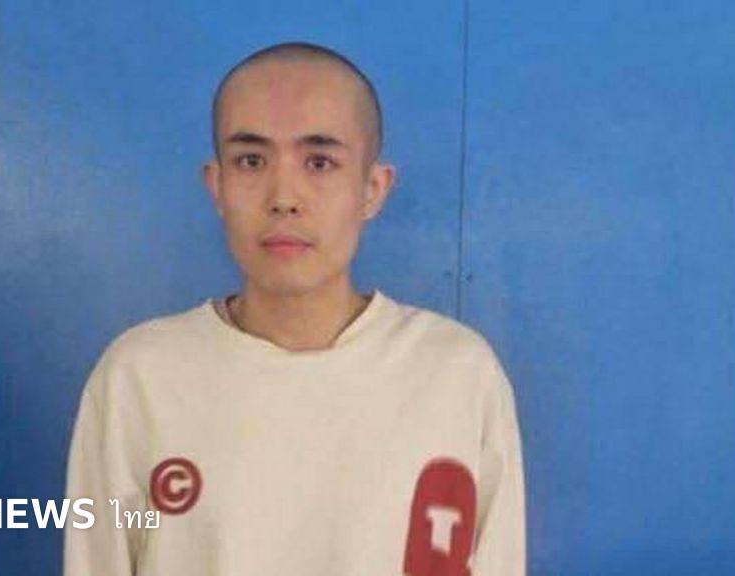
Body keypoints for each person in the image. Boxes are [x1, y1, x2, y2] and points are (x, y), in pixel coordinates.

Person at [63, 41, 525, 576]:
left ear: (372, 189)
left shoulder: (456, 373)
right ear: (217, 185)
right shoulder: (138, 376)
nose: (284, 197)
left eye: (320, 162)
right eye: (251, 161)